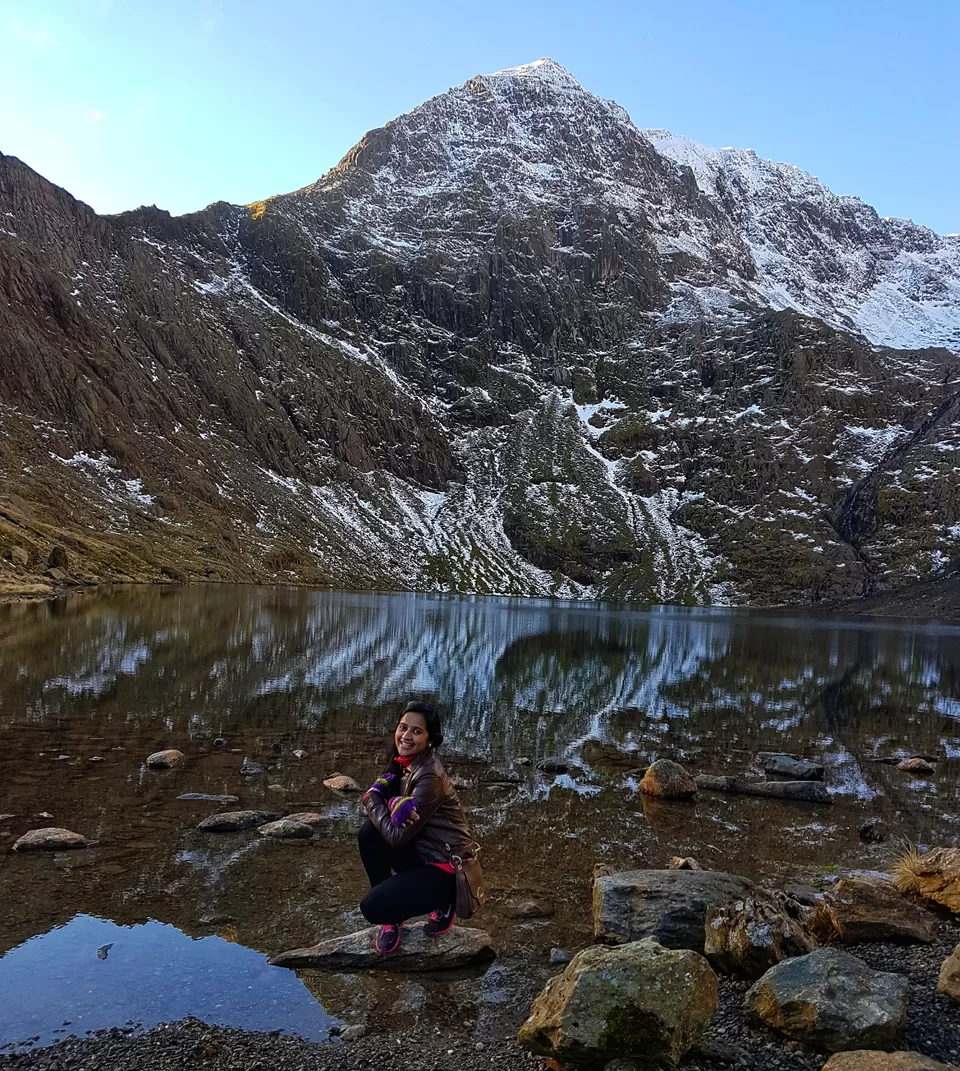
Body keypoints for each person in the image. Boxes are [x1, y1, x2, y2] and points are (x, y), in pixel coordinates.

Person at [358, 701, 474, 955]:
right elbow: (388, 825)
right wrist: (384, 799)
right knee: (369, 834)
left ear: (430, 740)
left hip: (445, 865)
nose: (406, 736)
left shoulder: (429, 776)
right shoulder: (405, 763)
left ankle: (445, 899)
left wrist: (372, 798)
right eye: (403, 727)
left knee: (371, 907)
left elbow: (397, 837)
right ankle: (393, 917)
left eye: (417, 731)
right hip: (423, 849)